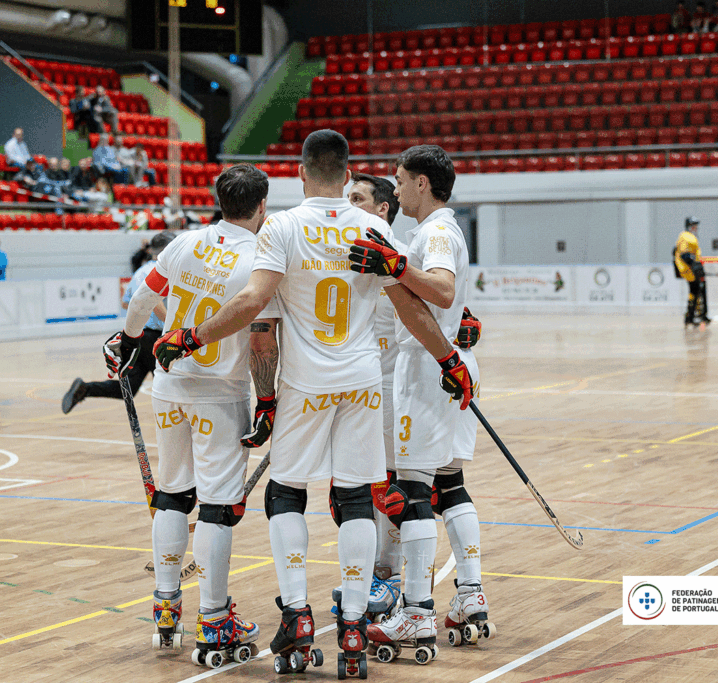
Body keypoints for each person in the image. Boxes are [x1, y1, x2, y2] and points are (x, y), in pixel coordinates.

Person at [142, 130, 473, 675]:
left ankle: (296, 614)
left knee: (285, 495)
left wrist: (193, 337)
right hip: (362, 383)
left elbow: (254, 305)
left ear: (300, 173)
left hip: (305, 387)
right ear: (348, 175)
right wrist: (449, 359)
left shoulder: (282, 226)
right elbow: (411, 307)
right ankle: (353, 624)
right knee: (356, 499)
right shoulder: (373, 227)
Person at [104, 167, 277, 663]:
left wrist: (129, 340)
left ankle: (165, 607)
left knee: (173, 494)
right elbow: (262, 341)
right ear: (261, 206)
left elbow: (143, 296)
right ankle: (215, 618)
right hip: (220, 393)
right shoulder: (261, 257)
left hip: (169, 387)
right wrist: (268, 400)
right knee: (218, 506)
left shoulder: (186, 241)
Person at [351, 146, 489, 656]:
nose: (397, 187)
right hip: (445, 364)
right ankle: (470, 594)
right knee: (449, 483)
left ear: (422, 184)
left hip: (427, 367)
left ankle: (415, 612)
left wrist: (394, 265)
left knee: (413, 492)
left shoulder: (433, 233)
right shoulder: (435, 232)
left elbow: (443, 292)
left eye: (401, 179)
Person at [62, 234, 171, 415]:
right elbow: (152, 301)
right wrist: (171, 324)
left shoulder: (139, 271)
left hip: (138, 335)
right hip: (154, 337)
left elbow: (126, 302)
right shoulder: (160, 271)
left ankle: (85, 389)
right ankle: (172, 424)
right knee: (169, 385)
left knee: (129, 387)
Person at [674, 216, 710, 326]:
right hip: (689, 269)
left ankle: (696, 316)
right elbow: (685, 254)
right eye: (694, 225)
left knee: (696, 290)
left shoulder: (690, 237)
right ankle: (692, 316)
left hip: (692, 268)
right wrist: (695, 266)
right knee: (695, 290)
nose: (696, 227)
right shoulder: (685, 236)